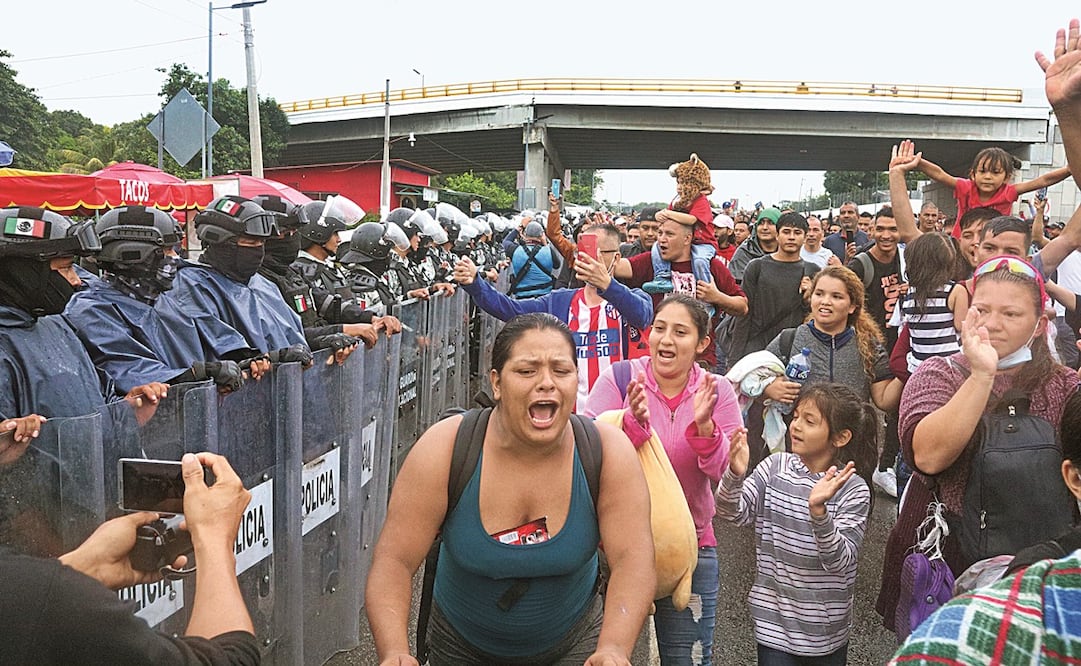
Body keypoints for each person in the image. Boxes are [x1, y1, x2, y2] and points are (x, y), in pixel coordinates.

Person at [366, 313, 655, 666]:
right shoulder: (444, 449)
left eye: (561, 370)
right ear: (497, 383)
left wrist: (613, 648)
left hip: (574, 645)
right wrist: (395, 652)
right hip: (460, 647)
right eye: (527, 371)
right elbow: (394, 560)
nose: (546, 382)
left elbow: (634, 561)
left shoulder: (607, 453)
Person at [876, 255, 1080, 632]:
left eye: (1011, 314)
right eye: (981, 310)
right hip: (948, 554)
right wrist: (981, 375)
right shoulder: (938, 373)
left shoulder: (1066, 386)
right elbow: (928, 457)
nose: (991, 324)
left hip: (1038, 557)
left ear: (1039, 325)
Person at [585, 294, 743, 665]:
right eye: (659, 328)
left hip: (692, 552)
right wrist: (628, 424)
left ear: (703, 343)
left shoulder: (717, 391)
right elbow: (587, 450)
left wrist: (706, 429)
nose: (666, 340)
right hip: (614, 551)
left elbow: (726, 474)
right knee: (610, 658)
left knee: (687, 660)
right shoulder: (621, 378)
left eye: (680, 332)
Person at [0, 452, 259, 665]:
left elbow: (23, 604)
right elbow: (232, 659)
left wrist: (83, 568)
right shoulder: (60, 605)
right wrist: (214, 538)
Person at [717, 383, 876, 665]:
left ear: (840, 437)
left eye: (810, 421)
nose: (796, 426)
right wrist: (734, 474)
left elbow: (840, 561)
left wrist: (819, 513)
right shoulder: (774, 467)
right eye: (797, 415)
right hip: (774, 626)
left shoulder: (854, 490)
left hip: (826, 633)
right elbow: (733, 513)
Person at [454, 225, 654, 409]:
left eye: (596, 253)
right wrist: (475, 283)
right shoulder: (560, 302)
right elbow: (510, 310)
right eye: (581, 253)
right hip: (569, 418)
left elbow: (642, 315)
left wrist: (607, 285)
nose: (587, 260)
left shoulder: (633, 297)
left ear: (617, 258)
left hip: (617, 415)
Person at [64, 205, 249, 392]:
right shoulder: (91, 310)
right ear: (131, 254)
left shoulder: (165, 299)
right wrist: (194, 375)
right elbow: (125, 369)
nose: (175, 258)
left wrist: (243, 364)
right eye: (167, 251)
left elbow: (212, 344)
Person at [155, 196, 311, 363]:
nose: (259, 250)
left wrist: (323, 340)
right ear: (222, 243)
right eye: (251, 242)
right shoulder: (190, 287)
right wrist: (267, 359)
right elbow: (211, 352)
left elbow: (293, 335)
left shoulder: (263, 284)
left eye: (262, 242)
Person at [615, 217, 748, 369]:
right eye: (661, 233)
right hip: (658, 359)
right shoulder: (652, 262)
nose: (662, 239)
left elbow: (742, 306)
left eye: (669, 234)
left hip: (699, 362)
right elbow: (617, 267)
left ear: (687, 238)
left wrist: (716, 297)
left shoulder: (710, 267)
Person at [914, 146, 1070, 236]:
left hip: (995, 245)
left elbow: (1043, 180)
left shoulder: (1008, 192)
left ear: (1006, 177)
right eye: (982, 172)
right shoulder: (966, 187)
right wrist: (918, 162)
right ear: (973, 174)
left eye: (995, 172)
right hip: (962, 244)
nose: (988, 177)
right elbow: (940, 175)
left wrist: (1071, 169)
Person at [730, 212, 818, 362]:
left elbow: (816, 319)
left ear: (804, 237)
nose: (791, 237)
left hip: (792, 351)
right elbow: (744, 315)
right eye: (786, 232)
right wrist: (734, 359)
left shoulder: (813, 271)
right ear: (777, 235)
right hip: (756, 347)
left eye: (797, 233)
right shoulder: (757, 267)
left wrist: (808, 299)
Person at [642, 154, 718, 295]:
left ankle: (706, 292)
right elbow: (668, 218)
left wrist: (668, 213)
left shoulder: (701, 200)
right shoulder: (677, 201)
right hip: (684, 243)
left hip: (703, 243)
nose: (680, 187)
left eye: (684, 183)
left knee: (700, 261)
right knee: (656, 247)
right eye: (678, 183)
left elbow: (692, 220)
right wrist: (660, 215)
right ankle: (663, 277)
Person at [897, 233, 970, 375]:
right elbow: (961, 326)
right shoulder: (955, 291)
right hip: (949, 365)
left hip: (919, 367)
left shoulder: (910, 293)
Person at [728, 207, 781, 283]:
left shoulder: (787, 252)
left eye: (771, 223)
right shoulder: (745, 252)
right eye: (761, 223)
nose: (765, 227)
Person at [509, 221, 559, 299]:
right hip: (544, 297)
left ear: (525, 234)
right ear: (542, 235)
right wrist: (545, 244)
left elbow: (505, 242)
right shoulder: (548, 251)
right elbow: (557, 265)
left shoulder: (515, 250)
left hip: (521, 298)